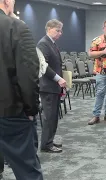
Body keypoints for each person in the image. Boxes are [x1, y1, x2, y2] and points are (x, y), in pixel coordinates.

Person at [0, 0, 43, 179]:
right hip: (10, 113)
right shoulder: (16, 28)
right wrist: (31, 109)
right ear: (7, 1)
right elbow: (28, 74)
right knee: (27, 170)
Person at [37, 19, 66, 153]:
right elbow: (44, 67)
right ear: (49, 28)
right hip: (48, 86)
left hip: (54, 87)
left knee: (54, 116)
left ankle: (50, 141)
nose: (60, 33)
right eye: (57, 30)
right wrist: (58, 79)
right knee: (49, 117)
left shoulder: (52, 43)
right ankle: (46, 145)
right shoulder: (43, 44)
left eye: (61, 30)